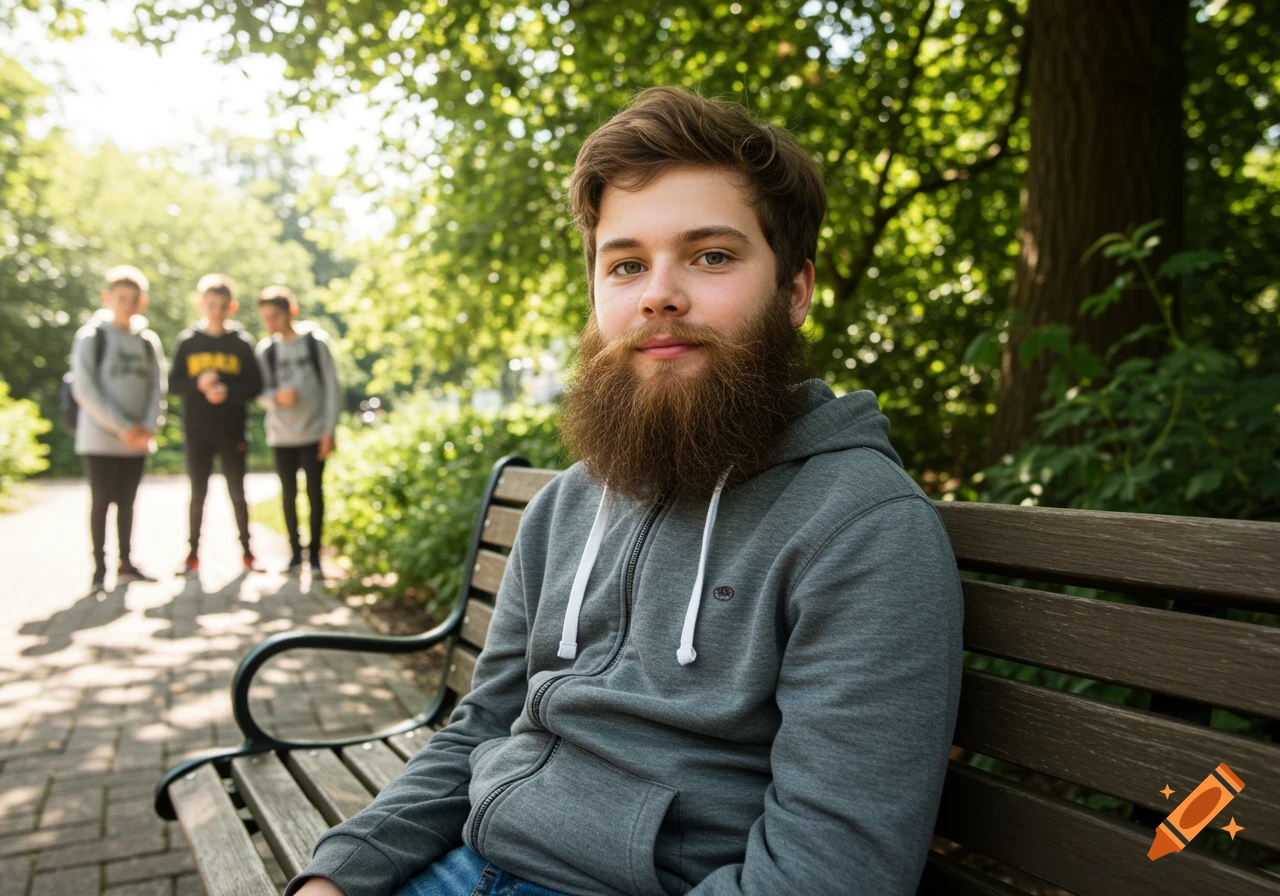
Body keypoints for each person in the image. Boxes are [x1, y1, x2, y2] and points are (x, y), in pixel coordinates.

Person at [288, 88, 963, 896]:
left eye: (711, 256)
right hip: (471, 863)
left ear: (795, 290)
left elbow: (832, 869)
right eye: (627, 264)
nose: (658, 295)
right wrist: (337, 875)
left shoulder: (861, 526)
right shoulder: (568, 506)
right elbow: (481, 727)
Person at [71, 265, 166, 592]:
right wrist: (123, 426)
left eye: (134, 299)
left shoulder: (148, 341)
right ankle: (99, 570)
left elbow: (157, 387)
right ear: (108, 298)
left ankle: (126, 563)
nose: (127, 304)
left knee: (128, 502)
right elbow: (84, 388)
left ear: (143, 301)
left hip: (138, 440)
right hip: (99, 439)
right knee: (102, 502)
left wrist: (149, 426)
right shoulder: (92, 336)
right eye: (121, 298)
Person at [169, 274, 265, 574]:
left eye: (222, 305)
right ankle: (193, 554)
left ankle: (248, 553)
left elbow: (256, 387)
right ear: (201, 304)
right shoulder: (188, 342)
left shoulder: (241, 343)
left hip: (232, 431)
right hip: (198, 432)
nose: (216, 310)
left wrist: (228, 392)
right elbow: (172, 384)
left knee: (237, 492)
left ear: (231, 307)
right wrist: (198, 384)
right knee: (197, 494)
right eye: (211, 304)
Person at [255, 286, 340, 575]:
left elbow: (332, 388)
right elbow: (259, 392)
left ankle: (315, 558)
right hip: (282, 435)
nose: (271, 324)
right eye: (265, 318)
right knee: (288, 494)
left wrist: (329, 430)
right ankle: (294, 555)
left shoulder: (315, 343)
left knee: (315, 494)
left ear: (291, 311)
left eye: (275, 316)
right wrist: (275, 397)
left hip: (315, 433)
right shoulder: (266, 350)